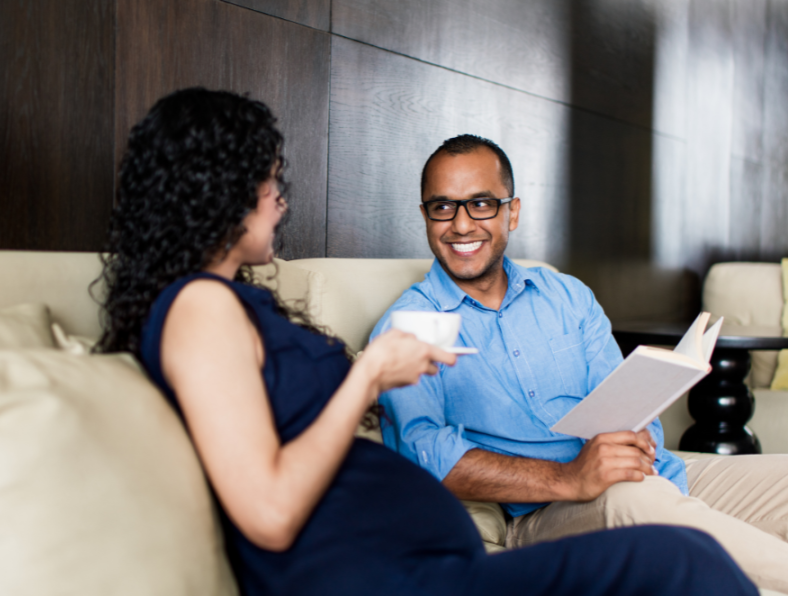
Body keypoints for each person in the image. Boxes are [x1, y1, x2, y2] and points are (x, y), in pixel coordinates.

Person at [96, 88, 755, 596]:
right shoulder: (197, 306)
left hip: (423, 561)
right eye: (270, 184)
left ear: (512, 212)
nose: (280, 203)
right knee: (681, 558)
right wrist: (369, 376)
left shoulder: (223, 301)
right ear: (219, 191)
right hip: (384, 577)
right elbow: (268, 512)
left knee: (682, 555)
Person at [373, 133, 788, 592]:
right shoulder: (408, 327)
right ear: (425, 216)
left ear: (512, 211)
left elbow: (631, 401)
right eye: (443, 207)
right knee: (637, 501)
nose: (461, 224)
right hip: (546, 514)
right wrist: (569, 478)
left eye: (481, 204)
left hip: (657, 476)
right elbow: (423, 455)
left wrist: (637, 442)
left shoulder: (567, 295)